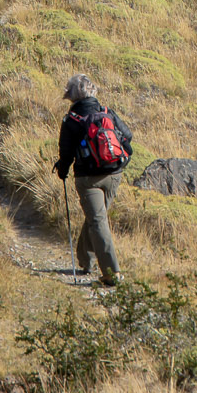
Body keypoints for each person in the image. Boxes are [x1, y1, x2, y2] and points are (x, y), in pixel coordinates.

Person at [54, 73, 132, 285]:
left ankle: (110, 273)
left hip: (88, 179)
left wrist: (62, 170)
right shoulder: (107, 112)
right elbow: (128, 135)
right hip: (114, 173)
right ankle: (85, 260)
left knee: (97, 220)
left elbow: (66, 152)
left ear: (72, 95)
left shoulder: (71, 120)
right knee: (96, 218)